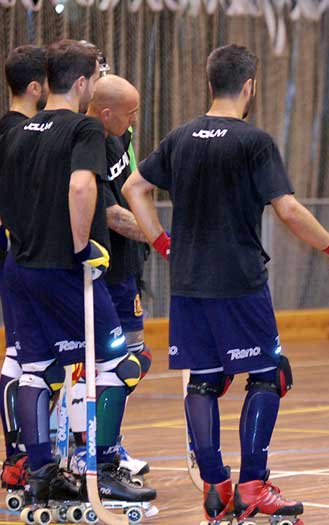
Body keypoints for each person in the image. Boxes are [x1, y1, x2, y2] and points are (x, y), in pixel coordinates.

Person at [123, 43, 329, 525]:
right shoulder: (253, 141)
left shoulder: (181, 136)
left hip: (188, 283)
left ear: (210, 82)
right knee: (270, 375)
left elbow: (133, 188)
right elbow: (288, 208)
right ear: (249, 86)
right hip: (239, 282)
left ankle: (215, 489)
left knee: (204, 384)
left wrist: (163, 241)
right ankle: (252, 486)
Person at [0, 39, 156, 509]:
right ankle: (102, 466)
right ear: (84, 81)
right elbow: (82, 184)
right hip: (63, 269)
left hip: (18, 267)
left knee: (35, 371)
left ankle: (41, 473)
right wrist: (79, 244)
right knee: (119, 364)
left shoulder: (17, 132)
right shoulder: (83, 130)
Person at [69, 74, 153, 482]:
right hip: (105, 271)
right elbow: (109, 214)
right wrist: (164, 237)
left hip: (129, 270)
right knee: (112, 367)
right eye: (130, 112)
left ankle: (101, 436)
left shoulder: (122, 136)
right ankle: (91, 447)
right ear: (105, 112)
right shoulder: (88, 144)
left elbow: (131, 190)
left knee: (135, 360)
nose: (135, 118)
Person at [0, 44, 49, 491]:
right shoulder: (21, 133)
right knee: (19, 356)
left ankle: (24, 453)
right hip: (18, 252)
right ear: (36, 87)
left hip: (16, 252)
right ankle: (17, 455)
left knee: (24, 355)